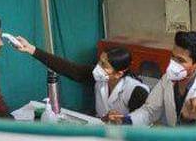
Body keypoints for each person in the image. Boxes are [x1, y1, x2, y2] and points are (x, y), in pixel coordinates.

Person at [105, 31, 196, 127]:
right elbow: (150, 111)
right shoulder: (167, 79)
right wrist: (125, 121)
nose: (173, 64)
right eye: (173, 57)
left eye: (180, 60)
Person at [15, 37, 149, 117]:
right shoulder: (100, 78)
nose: (98, 68)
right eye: (99, 62)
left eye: (104, 65)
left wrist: (124, 120)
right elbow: (68, 68)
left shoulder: (136, 91)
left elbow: (143, 124)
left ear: (119, 73)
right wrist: (32, 49)